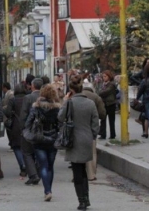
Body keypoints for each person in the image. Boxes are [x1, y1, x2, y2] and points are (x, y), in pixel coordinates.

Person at [58, 75, 99, 210]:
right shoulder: (90, 103)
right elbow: (95, 123)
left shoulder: (70, 102)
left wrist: (65, 101)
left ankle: (81, 200)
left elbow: (60, 117)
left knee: (77, 171)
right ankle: (86, 198)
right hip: (87, 139)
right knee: (84, 171)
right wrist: (92, 136)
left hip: (73, 139)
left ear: (71, 90)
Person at [24, 84, 61, 202]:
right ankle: (49, 189)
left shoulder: (36, 107)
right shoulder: (57, 108)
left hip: (39, 139)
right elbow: (60, 124)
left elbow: (28, 123)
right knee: (50, 166)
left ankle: (47, 191)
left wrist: (30, 131)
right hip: (53, 139)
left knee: (43, 166)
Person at [20, 78, 44, 185]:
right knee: (39, 151)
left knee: (27, 152)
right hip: (43, 130)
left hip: (30, 129)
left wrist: (23, 128)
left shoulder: (28, 97)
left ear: (32, 86)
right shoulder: (47, 97)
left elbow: (24, 114)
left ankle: (33, 175)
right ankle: (38, 173)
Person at [82, 78, 106, 181]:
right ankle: (91, 174)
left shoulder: (74, 96)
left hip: (78, 127)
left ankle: (79, 174)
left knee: (79, 151)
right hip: (91, 127)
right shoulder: (96, 97)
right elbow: (102, 114)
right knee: (92, 152)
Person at [3, 83, 27, 177]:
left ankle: (22, 166)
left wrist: (5, 109)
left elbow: (8, 113)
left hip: (16, 125)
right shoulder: (28, 98)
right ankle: (29, 166)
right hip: (27, 125)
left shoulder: (13, 100)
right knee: (27, 147)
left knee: (17, 147)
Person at [98, 70, 117, 139]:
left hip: (111, 103)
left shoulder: (112, 84)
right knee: (103, 119)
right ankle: (103, 134)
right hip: (104, 103)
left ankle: (112, 135)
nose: (104, 78)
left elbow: (105, 92)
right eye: (103, 76)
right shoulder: (103, 84)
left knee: (111, 120)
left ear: (109, 76)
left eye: (105, 76)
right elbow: (99, 91)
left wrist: (101, 92)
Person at [2, 82, 14, 148]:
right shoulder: (6, 94)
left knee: (9, 130)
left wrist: (3, 108)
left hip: (8, 115)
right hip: (5, 115)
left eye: (3, 88)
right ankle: (11, 143)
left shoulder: (10, 94)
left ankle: (12, 143)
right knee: (8, 130)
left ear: (5, 88)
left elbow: (10, 105)